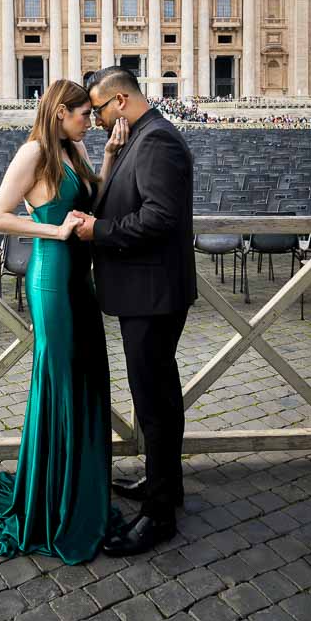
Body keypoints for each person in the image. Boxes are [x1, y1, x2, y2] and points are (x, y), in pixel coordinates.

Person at [0, 79, 127, 564]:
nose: (90, 122)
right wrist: (53, 230)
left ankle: (76, 487)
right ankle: (52, 500)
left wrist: (109, 159)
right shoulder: (34, 151)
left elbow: (92, 202)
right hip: (52, 279)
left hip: (80, 278)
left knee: (86, 379)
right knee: (60, 380)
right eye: (83, 115)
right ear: (61, 112)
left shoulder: (72, 152)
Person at [73, 66, 196, 556]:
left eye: (99, 109)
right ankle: (166, 486)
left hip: (153, 294)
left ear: (120, 101)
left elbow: (160, 218)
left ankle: (159, 516)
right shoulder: (138, 139)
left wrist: (96, 233)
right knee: (158, 397)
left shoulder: (157, 141)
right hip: (146, 291)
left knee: (155, 402)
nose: (97, 118)